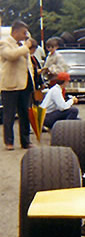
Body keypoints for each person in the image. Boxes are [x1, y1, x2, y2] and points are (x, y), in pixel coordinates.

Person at [0, 20, 34, 150]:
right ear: (15, 32)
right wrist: (25, 47)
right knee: (9, 114)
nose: (26, 35)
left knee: (24, 113)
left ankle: (25, 141)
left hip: (24, 84)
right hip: (10, 85)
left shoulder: (21, 45)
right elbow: (11, 56)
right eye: (23, 32)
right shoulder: (4, 43)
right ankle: (9, 142)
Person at [29, 38, 44, 105]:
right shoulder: (26, 58)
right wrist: (36, 72)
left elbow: (38, 67)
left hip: (36, 84)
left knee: (36, 102)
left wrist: (41, 83)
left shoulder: (34, 58)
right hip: (29, 85)